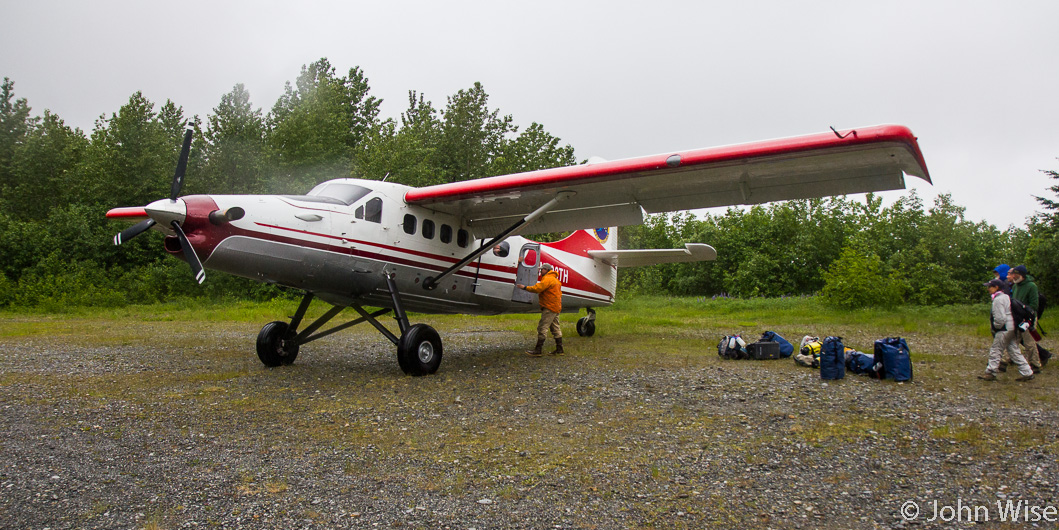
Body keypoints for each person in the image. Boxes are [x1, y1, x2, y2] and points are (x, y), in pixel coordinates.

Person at [979, 279, 1034, 381]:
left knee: (996, 350)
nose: (988, 289)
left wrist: (996, 327)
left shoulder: (998, 300)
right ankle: (1027, 372)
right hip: (1012, 327)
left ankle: (990, 372)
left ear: (996, 287)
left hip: (1003, 329)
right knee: (1014, 351)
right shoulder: (1006, 297)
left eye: (990, 287)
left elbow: (1000, 318)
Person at [516, 263, 564, 356]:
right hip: (556, 307)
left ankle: (538, 350)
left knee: (542, 327)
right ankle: (559, 349)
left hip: (549, 307)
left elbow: (538, 288)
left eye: (541, 270)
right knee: (555, 328)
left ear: (546, 270)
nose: (540, 271)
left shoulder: (547, 279)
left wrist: (525, 287)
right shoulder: (555, 280)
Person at [1003, 265, 1043, 373]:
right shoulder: (1015, 286)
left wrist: (1025, 312)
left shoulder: (1031, 286)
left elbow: (1034, 304)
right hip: (1017, 317)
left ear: (1022, 275)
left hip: (1028, 318)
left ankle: (1035, 365)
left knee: (1029, 342)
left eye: (1016, 274)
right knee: (1012, 340)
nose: (1014, 276)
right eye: (1013, 274)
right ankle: (1004, 362)